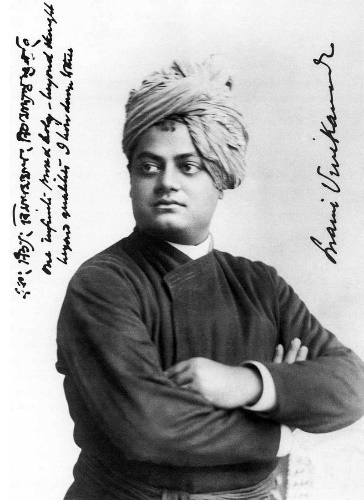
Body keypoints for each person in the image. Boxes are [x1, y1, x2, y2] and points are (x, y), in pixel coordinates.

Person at [56, 57, 364, 500]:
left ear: (220, 179)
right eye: (149, 166)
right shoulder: (104, 284)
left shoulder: (260, 285)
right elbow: (150, 426)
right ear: (129, 180)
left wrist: (246, 383)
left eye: (188, 166)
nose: (166, 183)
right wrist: (283, 425)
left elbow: (351, 387)